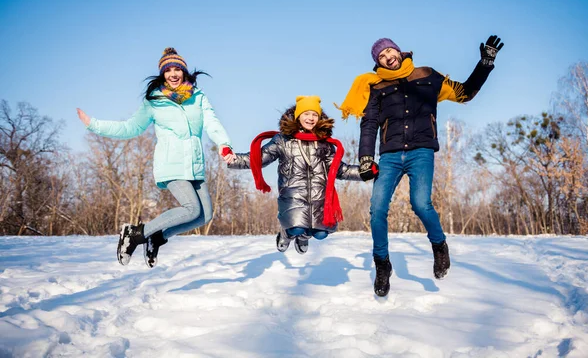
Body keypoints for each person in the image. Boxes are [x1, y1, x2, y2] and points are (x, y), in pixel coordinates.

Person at [336, 35, 504, 296]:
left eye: (390, 51)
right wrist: (366, 159)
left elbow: (465, 93)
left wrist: (485, 64)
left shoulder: (427, 75)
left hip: (421, 151)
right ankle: (382, 264)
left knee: (420, 203)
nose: (387, 56)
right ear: (377, 62)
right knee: (377, 208)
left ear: (399, 51)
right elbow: (368, 125)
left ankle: (439, 246)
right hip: (390, 156)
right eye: (381, 56)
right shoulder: (377, 87)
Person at [77, 47, 235, 268]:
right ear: (162, 74)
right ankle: (135, 233)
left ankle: (158, 237)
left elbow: (212, 122)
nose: (173, 74)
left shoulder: (198, 98)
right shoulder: (154, 101)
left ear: (184, 72)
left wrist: (224, 144)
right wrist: (95, 125)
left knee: (204, 216)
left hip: (195, 165)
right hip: (171, 164)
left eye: (176, 69)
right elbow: (130, 127)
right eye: (168, 70)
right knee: (192, 208)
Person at [228, 95, 362, 254]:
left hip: (319, 197)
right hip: (293, 195)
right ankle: (285, 234)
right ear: (298, 116)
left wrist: (365, 172)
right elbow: (259, 158)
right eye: (306, 114)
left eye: (314, 115)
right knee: (296, 228)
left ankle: (304, 238)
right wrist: (233, 159)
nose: (310, 118)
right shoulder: (283, 140)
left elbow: (340, 169)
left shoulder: (324, 143)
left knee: (320, 234)